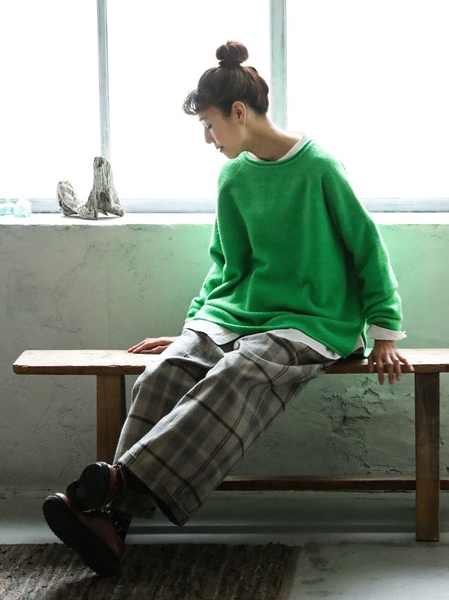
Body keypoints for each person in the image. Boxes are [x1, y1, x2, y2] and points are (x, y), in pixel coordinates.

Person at [43, 41, 414, 577]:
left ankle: (115, 490)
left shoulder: (319, 167)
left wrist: (384, 331)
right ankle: (109, 524)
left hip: (313, 321)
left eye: (210, 126)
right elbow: (225, 265)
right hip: (237, 312)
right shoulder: (234, 177)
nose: (208, 139)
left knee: (240, 371)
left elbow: (366, 246)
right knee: (165, 371)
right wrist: (190, 331)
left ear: (238, 112)